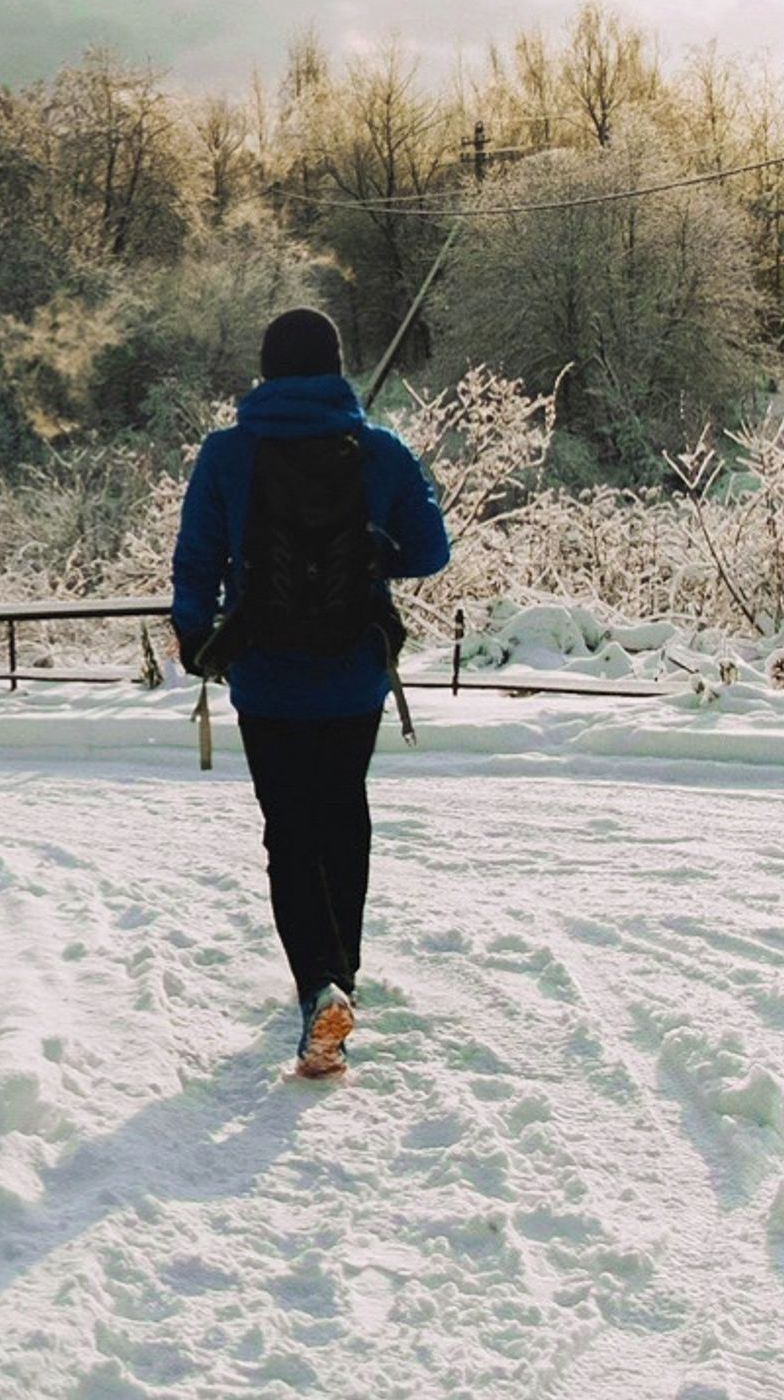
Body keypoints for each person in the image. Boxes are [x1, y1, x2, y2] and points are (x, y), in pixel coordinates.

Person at [171, 307, 450, 1078]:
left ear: (265, 371)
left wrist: (195, 637)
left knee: (288, 832)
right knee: (343, 819)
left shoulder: (228, 453)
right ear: (334, 368)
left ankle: (316, 987)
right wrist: (371, 537)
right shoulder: (378, 449)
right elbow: (431, 552)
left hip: (264, 677)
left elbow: (195, 559)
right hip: (353, 674)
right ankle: (343, 980)